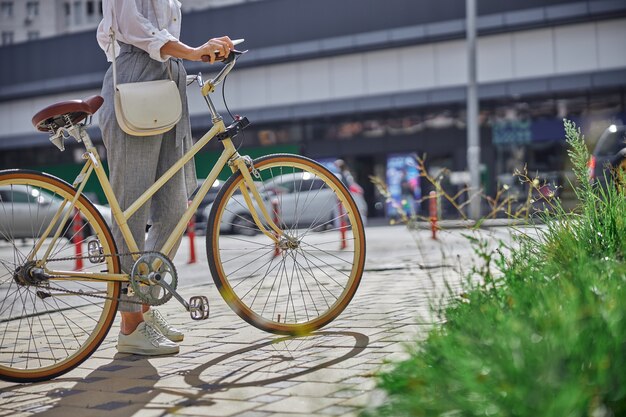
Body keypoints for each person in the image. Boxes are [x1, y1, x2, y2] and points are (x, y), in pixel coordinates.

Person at [97, 0, 234, 356]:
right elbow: (133, 27)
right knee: (132, 210)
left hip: (167, 83)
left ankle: (143, 306)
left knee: (175, 210)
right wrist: (191, 50)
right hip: (135, 80)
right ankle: (130, 326)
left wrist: (201, 54)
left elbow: (163, 34)